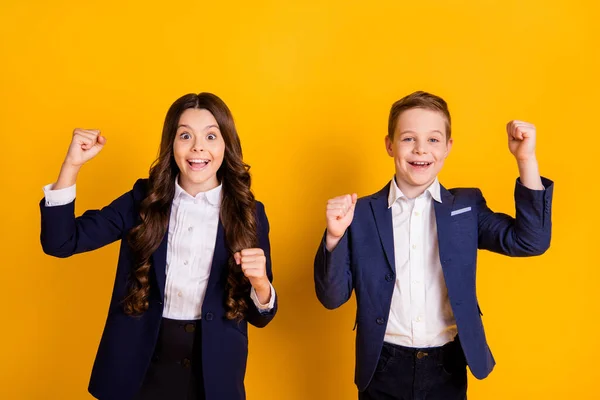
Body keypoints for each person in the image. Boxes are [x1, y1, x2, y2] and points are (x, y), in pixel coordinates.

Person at [314, 91, 553, 399]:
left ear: (448, 147)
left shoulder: (466, 207)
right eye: (408, 139)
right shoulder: (359, 214)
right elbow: (332, 297)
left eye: (433, 140)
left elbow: (530, 241)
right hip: (383, 366)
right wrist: (334, 237)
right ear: (390, 145)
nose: (420, 149)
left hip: (447, 366)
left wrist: (525, 159)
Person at [40, 92, 277, 400]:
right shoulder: (142, 200)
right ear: (171, 144)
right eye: (185, 135)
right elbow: (60, 241)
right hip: (140, 367)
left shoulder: (250, 213)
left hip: (214, 374)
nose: (198, 147)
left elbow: (262, 316)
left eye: (210, 135)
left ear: (226, 145)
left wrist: (261, 283)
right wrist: (71, 165)